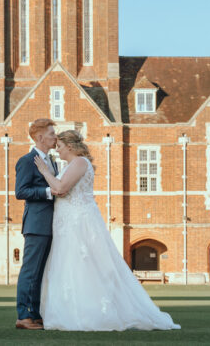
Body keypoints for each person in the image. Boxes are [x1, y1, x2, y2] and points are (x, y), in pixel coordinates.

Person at [34, 130, 180, 331]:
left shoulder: (79, 162)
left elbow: (60, 188)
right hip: (67, 222)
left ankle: (88, 313)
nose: (56, 150)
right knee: (70, 264)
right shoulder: (73, 164)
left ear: (69, 146)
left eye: (59, 146)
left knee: (83, 265)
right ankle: (73, 309)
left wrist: (44, 171)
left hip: (78, 221)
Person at [14, 118, 59, 330]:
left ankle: (36, 314)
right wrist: (49, 191)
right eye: (51, 133)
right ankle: (23, 316)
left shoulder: (52, 161)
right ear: (40, 137)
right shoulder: (26, 160)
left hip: (51, 224)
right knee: (30, 271)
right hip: (36, 224)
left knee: (41, 272)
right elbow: (21, 192)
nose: (55, 137)